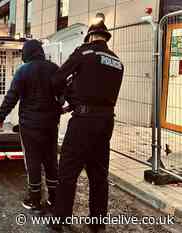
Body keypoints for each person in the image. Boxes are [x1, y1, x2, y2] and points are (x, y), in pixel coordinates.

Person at [51, 20, 124, 232]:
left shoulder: (84, 52)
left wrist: (67, 95)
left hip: (83, 122)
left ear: (90, 37)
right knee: (99, 174)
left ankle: (60, 220)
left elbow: (57, 78)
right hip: (106, 123)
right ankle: (97, 223)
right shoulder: (118, 61)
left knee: (68, 171)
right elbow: (97, 88)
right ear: (105, 38)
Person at [0, 40, 60, 212]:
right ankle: (54, 198)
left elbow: (12, 96)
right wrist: (58, 109)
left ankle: (34, 199)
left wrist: (1, 116)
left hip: (30, 126)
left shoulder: (23, 71)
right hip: (50, 125)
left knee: (32, 160)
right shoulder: (54, 69)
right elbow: (63, 93)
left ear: (27, 53)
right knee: (51, 159)